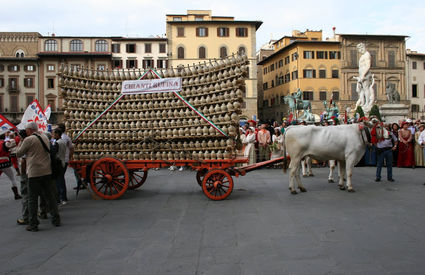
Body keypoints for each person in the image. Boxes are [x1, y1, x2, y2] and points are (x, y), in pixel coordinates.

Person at [16, 122, 60, 232]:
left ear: (30, 130)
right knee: (50, 197)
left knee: (32, 199)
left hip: (34, 173)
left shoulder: (28, 139)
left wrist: (21, 141)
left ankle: (33, 223)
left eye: (26, 130)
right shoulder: (44, 137)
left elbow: (18, 153)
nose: (26, 132)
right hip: (46, 171)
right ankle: (56, 219)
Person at [53, 128, 67, 204]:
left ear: (57, 134)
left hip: (58, 163)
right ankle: (63, 197)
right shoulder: (63, 142)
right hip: (63, 161)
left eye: (54, 134)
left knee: (58, 182)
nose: (53, 135)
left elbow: (54, 153)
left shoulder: (57, 143)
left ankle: (61, 198)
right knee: (61, 180)